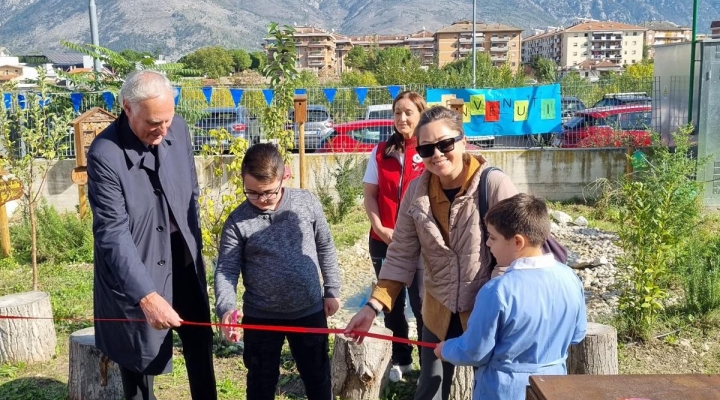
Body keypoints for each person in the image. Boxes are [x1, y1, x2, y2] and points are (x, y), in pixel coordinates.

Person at [345, 106, 518, 400]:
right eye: (426, 148)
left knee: (492, 390)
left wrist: (494, 305)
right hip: (438, 310)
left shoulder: (493, 184)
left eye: (445, 144)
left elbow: (518, 254)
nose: (436, 154)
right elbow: (400, 254)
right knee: (430, 389)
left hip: (488, 311)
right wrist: (371, 307)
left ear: (463, 141)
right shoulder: (416, 192)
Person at [87, 70, 217, 400]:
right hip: (137, 257)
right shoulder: (105, 153)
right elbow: (113, 233)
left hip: (182, 251)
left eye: (167, 120)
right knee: (140, 353)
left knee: (198, 340)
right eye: (153, 123)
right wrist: (146, 295)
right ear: (127, 108)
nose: (162, 131)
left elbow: (191, 189)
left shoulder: (181, 129)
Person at [214, 143, 341, 400]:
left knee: (318, 379)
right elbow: (226, 269)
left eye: (269, 193)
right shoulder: (237, 221)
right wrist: (226, 307)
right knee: (261, 384)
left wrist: (332, 289)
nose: (262, 200)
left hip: (309, 311)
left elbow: (325, 245)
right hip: (261, 318)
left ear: (284, 176)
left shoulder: (305, 203)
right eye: (252, 193)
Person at [434, 193, 587, 400]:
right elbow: (577, 335)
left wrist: (447, 349)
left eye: (493, 237)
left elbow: (474, 351)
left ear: (517, 242)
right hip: (553, 387)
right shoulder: (570, 278)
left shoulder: (497, 290)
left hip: (504, 390)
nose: (487, 243)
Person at [362, 90, 426, 381]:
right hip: (383, 240)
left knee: (423, 304)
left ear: (420, 115)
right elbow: (370, 196)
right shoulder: (380, 152)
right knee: (391, 304)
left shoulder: (430, 151)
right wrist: (379, 228)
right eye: (397, 112)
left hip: (422, 244)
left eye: (408, 112)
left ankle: (430, 363)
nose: (402, 117)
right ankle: (401, 359)